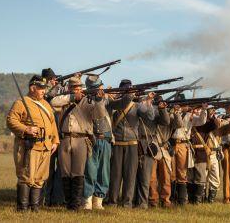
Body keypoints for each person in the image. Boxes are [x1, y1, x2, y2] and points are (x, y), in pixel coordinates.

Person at [7, 75, 60, 212]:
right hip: (29, 146)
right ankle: (23, 208)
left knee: (40, 178)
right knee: (26, 177)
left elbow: (52, 124)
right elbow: (11, 121)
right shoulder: (21, 102)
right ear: (32, 88)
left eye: (44, 88)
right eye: (41, 88)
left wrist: (55, 141)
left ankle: (35, 207)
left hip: (46, 147)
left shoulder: (46, 104)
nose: (44, 91)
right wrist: (26, 129)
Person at [82, 75, 132, 210]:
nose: (101, 89)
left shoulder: (107, 99)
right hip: (91, 139)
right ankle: (87, 199)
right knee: (90, 171)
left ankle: (98, 200)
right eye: (99, 87)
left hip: (106, 139)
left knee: (103, 172)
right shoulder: (85, 100)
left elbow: (121, 104)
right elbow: (97, 113)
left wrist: (128, 95)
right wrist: (98, 99)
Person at [108, 79, 155, 208]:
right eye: (126, 90)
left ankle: (127, 203)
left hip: (132, 143)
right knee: (115, 175)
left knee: (130, 175)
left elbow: (150, 117)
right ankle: (112, 201)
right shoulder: (115, 102)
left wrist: (148, 102)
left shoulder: (137, 105)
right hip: (117, 142)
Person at [49, 75, 94, 210]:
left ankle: (75, 204)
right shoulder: (65, 100)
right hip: (65, 139)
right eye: (74, 88)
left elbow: (98, 113)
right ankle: (69, 202)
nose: (77, 90)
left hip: (81, 139)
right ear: (69, 88)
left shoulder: (87, 101)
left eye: (78, 88)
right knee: (65, 173)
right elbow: (53, 102)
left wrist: (97, 99)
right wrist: (72, 97)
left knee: (78, 173)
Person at [134, 95, 170, 209]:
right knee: (132, 176)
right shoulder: (136, 106)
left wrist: (162, 109)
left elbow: (165, 121)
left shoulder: (154, 109)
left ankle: (142, 203)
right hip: (134, 141)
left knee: (145, 177)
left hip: (148, 144)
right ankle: (134, 200)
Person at [170, 104, 207, 206]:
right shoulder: (173, 114)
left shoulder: (190, 115)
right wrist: (177, 111)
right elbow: (175, 124)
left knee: (182, 173)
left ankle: (181, 200)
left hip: (183, 144)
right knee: (172, 173)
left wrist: (204, 109)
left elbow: (202, 121)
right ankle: (172, 198)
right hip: (172, 144)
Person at [41, 68, 65, 207]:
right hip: (48, 137)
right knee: (47, 170)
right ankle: (45, 198)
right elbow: (48, 96)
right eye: (50, 79)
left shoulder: (57, 90)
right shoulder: (43, 91)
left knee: (61, 169)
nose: (53, 80)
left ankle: (56, 199)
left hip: (60, 135)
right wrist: (54, 85)